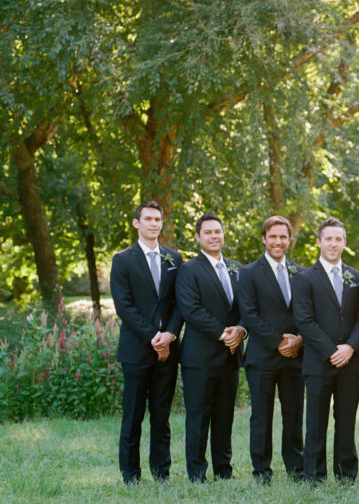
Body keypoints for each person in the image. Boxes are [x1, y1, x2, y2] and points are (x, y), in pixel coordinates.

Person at [109, 201, 183, 484]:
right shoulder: (123, 259)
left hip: (168, 350)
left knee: (162, 416)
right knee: (133, 415)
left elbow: (180, 303)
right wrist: (154, 337)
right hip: (136, 349)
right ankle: (131, 474)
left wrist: (170, 335)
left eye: (158, 219)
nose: (154, 224)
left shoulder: (174, 258)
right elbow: (124, 307)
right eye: (148, 219)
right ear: (136, 223)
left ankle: (161, 472)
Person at [291, 218, 359, 484]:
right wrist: (330, 350)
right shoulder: (304, 278)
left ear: (344, 243)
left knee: (346, 420)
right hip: (318, 361)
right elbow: (304, 320)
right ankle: (314, 475)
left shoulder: (357, 278)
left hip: (350, 361)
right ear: (319, 242)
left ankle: (346, 473)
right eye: (328, 239)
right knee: (315, 421)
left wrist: (349, 347)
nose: (333, 244)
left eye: (338, 239)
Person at [176, 211, 246, 482]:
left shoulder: (238, 269)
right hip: (199, 357)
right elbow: (191, 310)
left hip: (230, 356)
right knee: (198, 417)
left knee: (224, 417)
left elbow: (247, 308)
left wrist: (240, 330)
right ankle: (196, 473)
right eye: (207, 232)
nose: (214, 236)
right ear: (198, 237)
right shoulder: (188, 270)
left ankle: (224, 470)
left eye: (217, 231)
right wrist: (222, 333)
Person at [236, 215, 305, 483]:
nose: (278, 242)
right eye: (273, 236)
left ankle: (296, 468)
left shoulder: (300, 273)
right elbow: (249, 314)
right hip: (263, 356)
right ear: (264, 239)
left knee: (294, 415)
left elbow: (306, 312)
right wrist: (278, 341)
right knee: (261, 416)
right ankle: (261, 471)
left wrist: (298, 339)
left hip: (295, 357)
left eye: (283, 237)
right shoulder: (250, 272)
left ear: (289, 239)